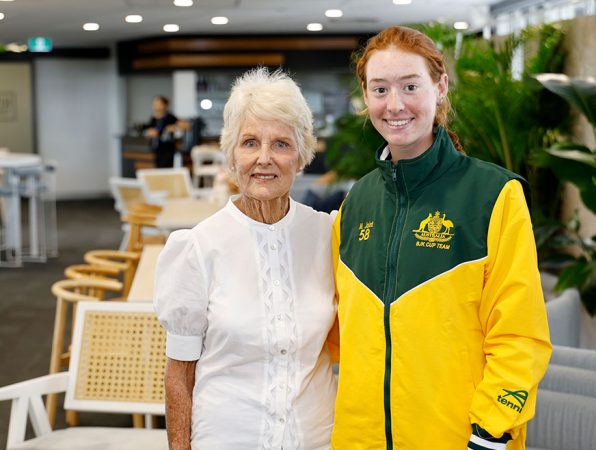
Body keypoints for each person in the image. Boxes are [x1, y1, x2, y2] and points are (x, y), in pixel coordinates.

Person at [331, 26, 552, 450]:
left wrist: (490, 432)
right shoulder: (356, 203)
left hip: (460, 439)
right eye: (379, 89)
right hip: (361, 439)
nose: (394, 105)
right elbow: (338, 335)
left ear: (440, 87)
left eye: (410, 86)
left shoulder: (493, 196)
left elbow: (521, 335)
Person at [154, 67, 338, 450]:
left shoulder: (328, 236)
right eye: (250, 142)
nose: (264, 159)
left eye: (282, 145)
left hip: (317, 438)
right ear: (232, 155)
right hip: (226, 438)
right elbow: (179, 374)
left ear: (301, 156)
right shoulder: (199, 247)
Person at [145, 95, 181, 168]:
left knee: (166, 169)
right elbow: (149, 131)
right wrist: (149, 133)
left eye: (158, 104)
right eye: (155, 104)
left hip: (167, 149)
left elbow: (181, 127)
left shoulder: (170, 118)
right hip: (156, 148)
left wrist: (173, 128)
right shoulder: (153, 119)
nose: (156, 106)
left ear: (165, 105)